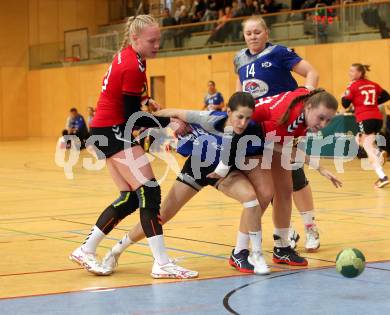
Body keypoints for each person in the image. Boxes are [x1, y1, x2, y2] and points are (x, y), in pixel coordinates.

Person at [69, 14, 198, 279]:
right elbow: (131, 117)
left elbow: (130, 96)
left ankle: (86, 248)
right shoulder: (132, 65)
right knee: (149, 191)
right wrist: (169, 121)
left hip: (105, 129)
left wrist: (148, 99)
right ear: (135, 38)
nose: (157, 44)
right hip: (114, 130)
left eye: (159, 39)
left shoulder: (131, 57)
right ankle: (161, 263)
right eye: (152, 40)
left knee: (130, 197)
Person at [102, 92, 271, 275]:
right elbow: (173, 112)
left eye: (247, 118)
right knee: (163, 214)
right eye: (239, 117)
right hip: (197, 168)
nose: (243, 123)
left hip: (222, 173)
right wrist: (146, 121)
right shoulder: (207, 119)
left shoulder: (250, 130)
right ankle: (116, 250)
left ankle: (246, 253)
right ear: (228, 111)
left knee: (251, 199)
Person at [213, 88, 342, 268]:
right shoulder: (289, 118)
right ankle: (239, 251)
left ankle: (282, 246)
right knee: (263, 194)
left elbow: (284, 145)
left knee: (285, 189)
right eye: (321, 118)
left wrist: (319, 167)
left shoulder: (306, 104)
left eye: (328, 120)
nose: (323, 124)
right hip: (242, 138)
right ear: (309, 107)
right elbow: (278, 146)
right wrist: (319, 167)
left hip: (265, 137)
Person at [234, 15, 323, 255]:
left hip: (284, 124)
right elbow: (240, 92)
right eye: (248, 32)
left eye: (257, 32)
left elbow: (311, 72)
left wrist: (306, 99)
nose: (252, 36)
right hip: (259, 127)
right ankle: (285, 232)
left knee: (294, 176)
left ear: (266, 33)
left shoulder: (279, 53)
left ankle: (310, 226)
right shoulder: (239, 59)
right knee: (269, 183)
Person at [341, 64, 390, 188]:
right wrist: (372, 103)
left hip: (365, 118)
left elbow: (345, 104)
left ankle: (382, 176)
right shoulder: (373, 84)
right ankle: (378, 153)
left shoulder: (352, 86)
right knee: (359, 140)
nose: (350, 73)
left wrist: (343, 95)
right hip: (377, 118)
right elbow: (387, 96)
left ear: (360, 73)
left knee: (368, 148)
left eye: (352, 71)